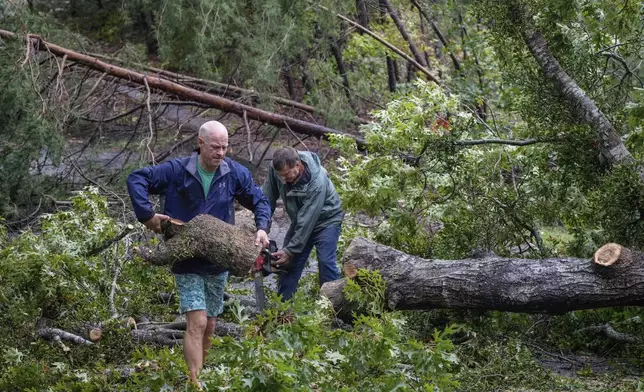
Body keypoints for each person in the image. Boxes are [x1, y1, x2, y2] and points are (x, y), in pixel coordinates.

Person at [126, 121, 270, 387]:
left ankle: (200, 376)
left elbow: (259, 200)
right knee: (198, 322)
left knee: (211, 325)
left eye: (225, 147)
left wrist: (262, 228)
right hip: (186, 257)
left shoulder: (233, 173)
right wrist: (146, 215)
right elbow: (137, 178)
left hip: (219, 261)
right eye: (215, 147)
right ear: (200, 143)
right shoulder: (176, 171)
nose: (221, 152)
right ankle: (194, 382)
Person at [262, 146, 343, 301]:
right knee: (288, 263)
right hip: (301, 218)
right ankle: (283, 309)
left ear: (298, 165)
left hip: (326, 220)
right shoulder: (277, 169)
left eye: (286, 175)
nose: (283, 179)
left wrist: (291, 250)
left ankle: (331, 309)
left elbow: (308, 220)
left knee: (326, 262)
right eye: (280, 176)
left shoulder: (316, 182)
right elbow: (267, 198)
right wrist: (262, 227)